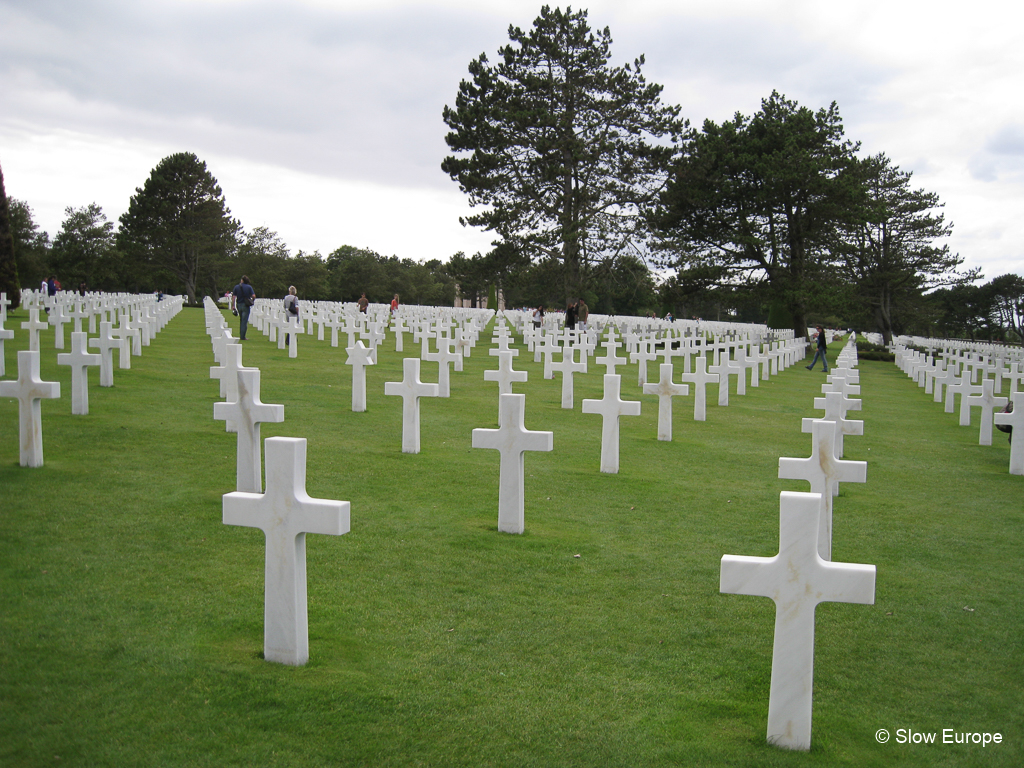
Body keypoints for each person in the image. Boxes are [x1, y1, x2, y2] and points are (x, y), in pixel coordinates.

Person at [231, 275, 256, 341]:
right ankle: (242, 336)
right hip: (246, 305)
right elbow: (253, 296)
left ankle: (241, 335)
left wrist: (233, 306)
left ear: (242, 280)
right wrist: (252, 301)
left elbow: (233, 297)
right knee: (244, 321)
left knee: (241, 320)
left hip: (239, 304)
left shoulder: (236, 287)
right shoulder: (249, 287)